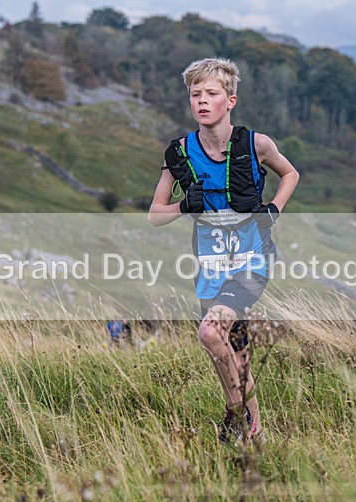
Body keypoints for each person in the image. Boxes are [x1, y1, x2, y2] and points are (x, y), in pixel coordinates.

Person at [148, 58, 300, 443]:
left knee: (209, 331)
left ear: (230, 100)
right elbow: (155, 215)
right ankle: (255, 434)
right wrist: (185, 206)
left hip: (252, 259)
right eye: (195, 94)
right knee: (233, 351)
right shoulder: (178, 153)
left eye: (211, 93)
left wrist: (274, 209)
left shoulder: (257, 144)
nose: (202, 100)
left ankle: (236, 413)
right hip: (210, 266)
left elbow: (290, 173)